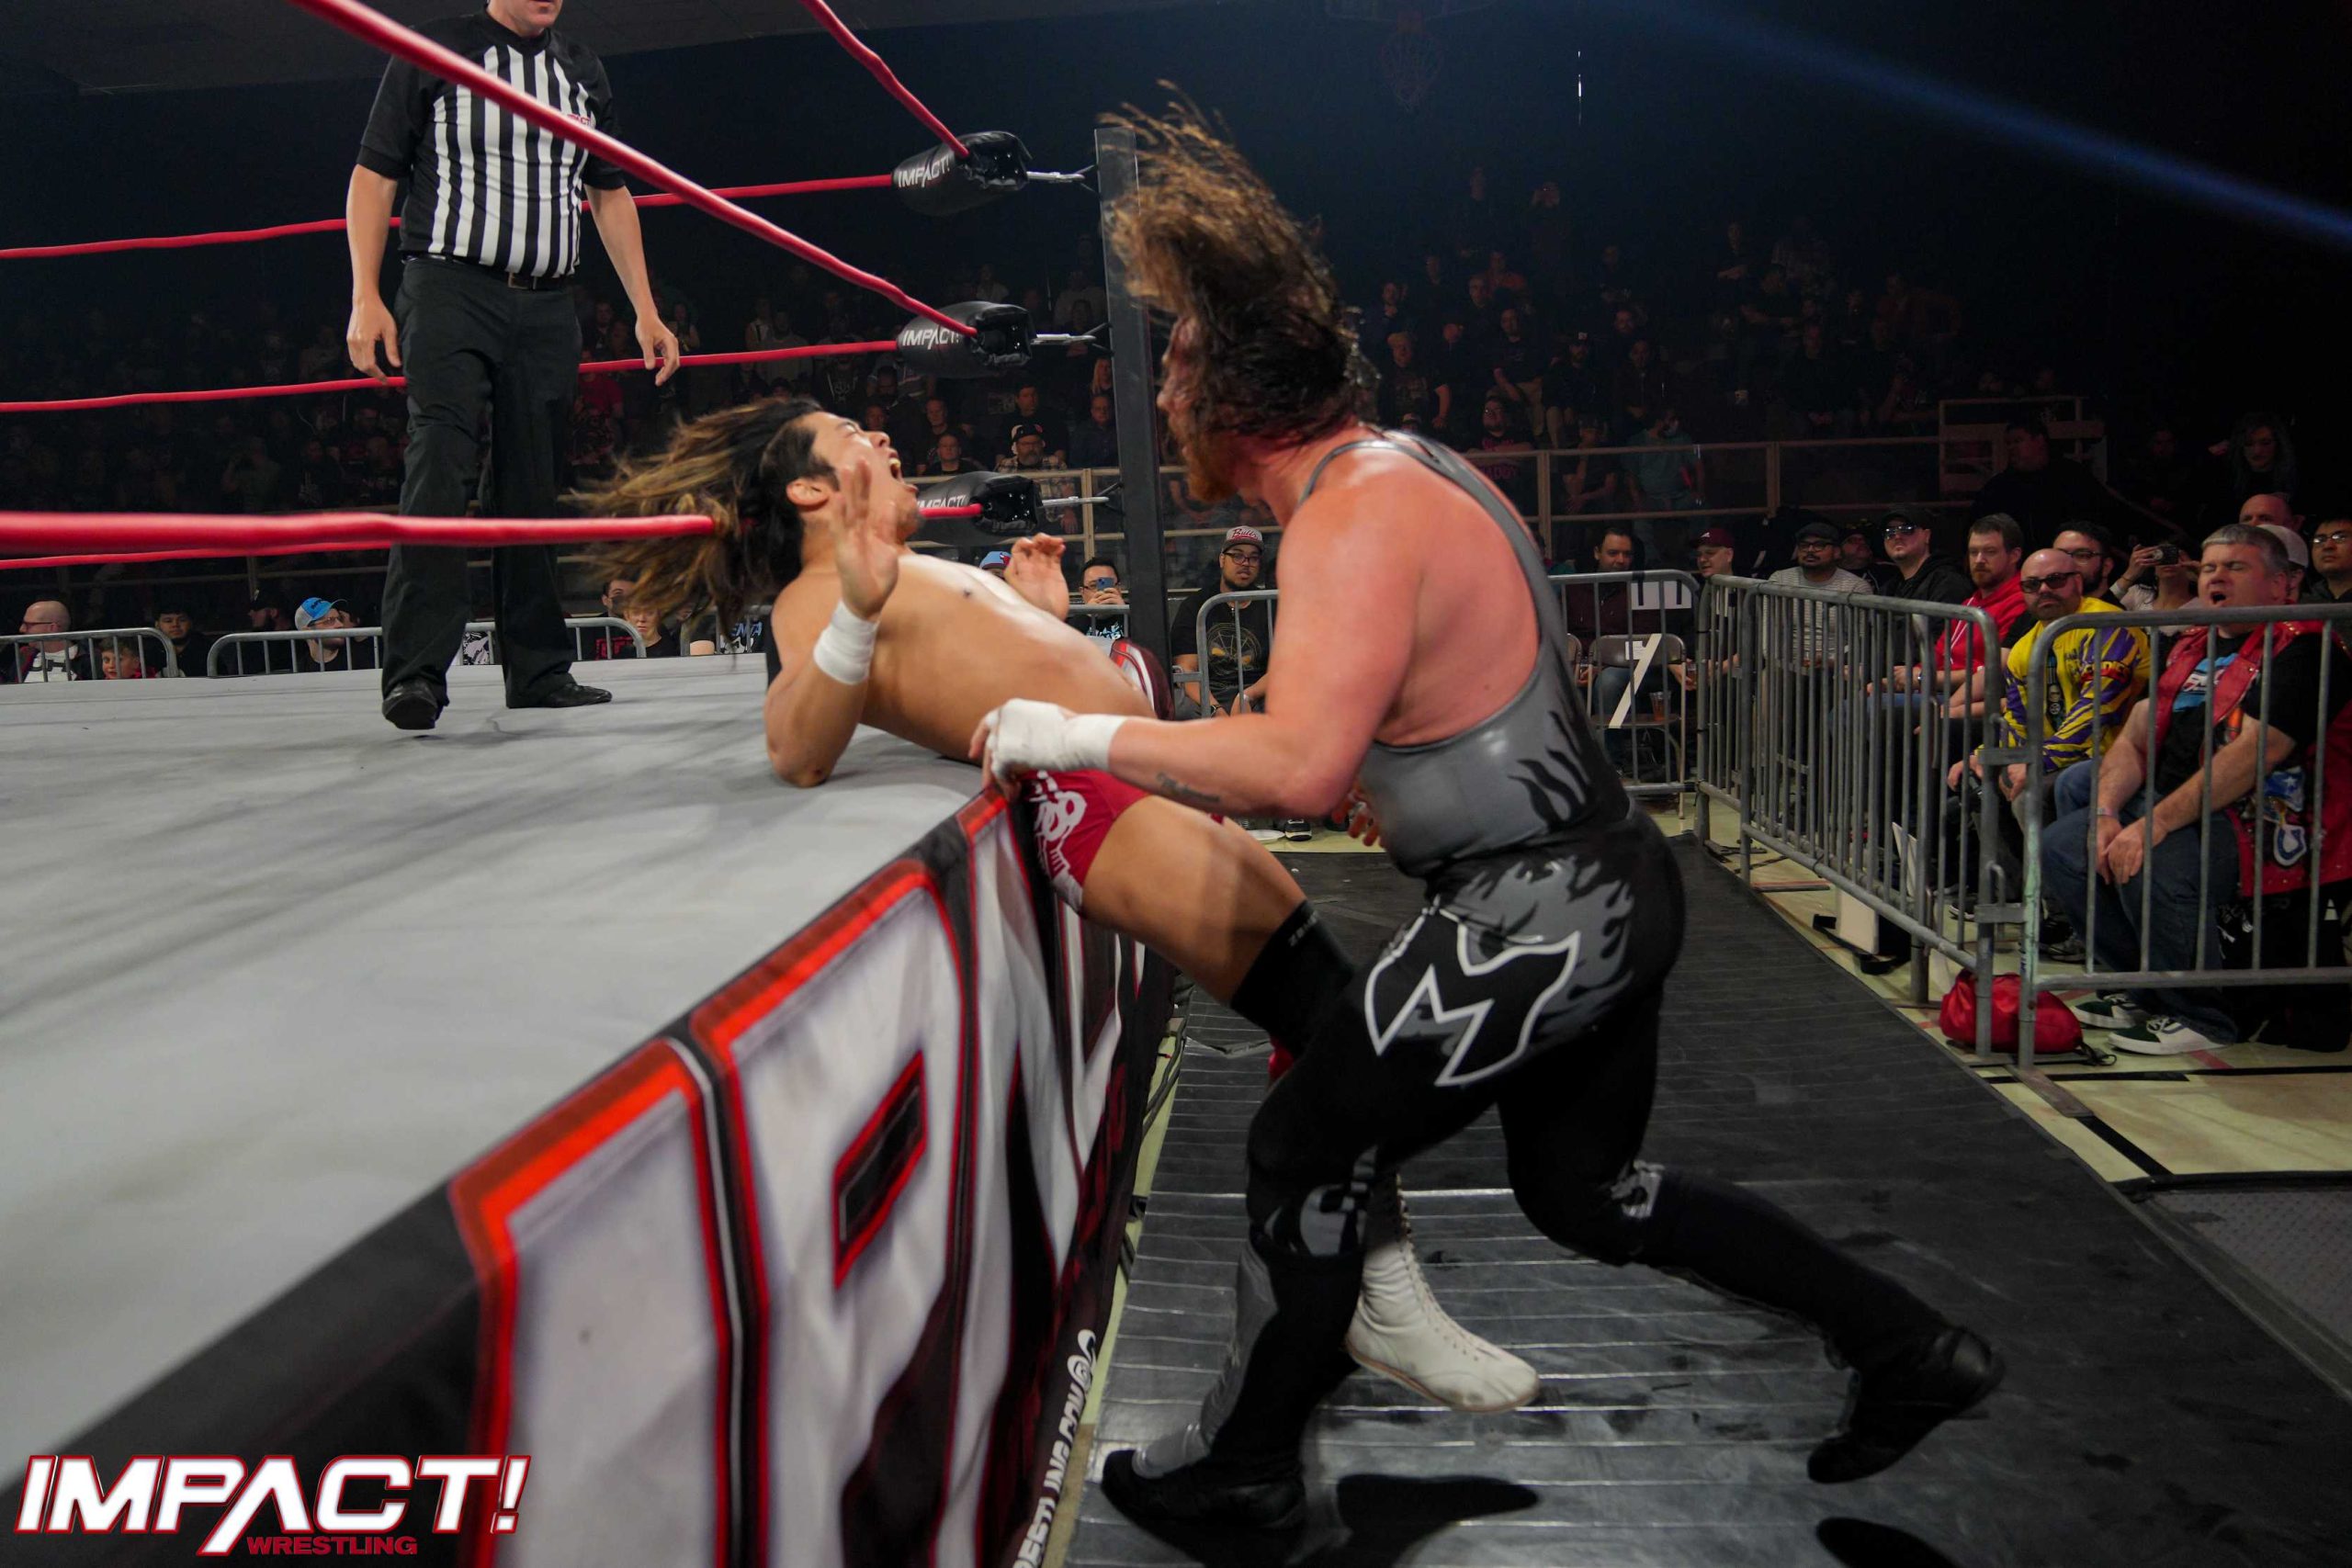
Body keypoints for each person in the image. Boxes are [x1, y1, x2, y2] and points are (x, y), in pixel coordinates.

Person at [972, 106, 1998, 1529]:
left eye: (1176, 374)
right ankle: (1907, 1343)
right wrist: (1394, 776)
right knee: (1587, 1192)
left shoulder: (1349, 513)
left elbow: (1294, 766)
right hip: (1607, 886)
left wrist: (1068, 732)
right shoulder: (1411, 464)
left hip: (1539, 911)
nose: (1159, 403)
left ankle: (1252, 1466)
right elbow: (1441, 703)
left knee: (1300, 1144)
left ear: (1227, 400)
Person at [586, 394, 1536, 1414]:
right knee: (1340, 1021)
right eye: (852, 436)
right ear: (813, 492)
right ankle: (1369, 1295)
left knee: (1327, 1020)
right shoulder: (822, 594)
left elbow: (996, 674)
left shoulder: (908, 570)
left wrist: (1044, 621)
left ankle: (1321, 1323)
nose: (884, 438)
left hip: (1136, 776)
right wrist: (857, 607)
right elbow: (795, 748)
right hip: (1096, 803)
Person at [346, 0, 679, 731]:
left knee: (533, 480)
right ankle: (415, 674)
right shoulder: (435, 51)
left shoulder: (581, 70)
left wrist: (645, 309)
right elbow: (375, 174)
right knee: (439, 460)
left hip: (548, 303)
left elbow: (608, 190)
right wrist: (365, 295)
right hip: (449, 287)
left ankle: (538, 669)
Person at [2050, 525, 2352, 1055]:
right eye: (2209, 567)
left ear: (2279, 584)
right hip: (2184, 801)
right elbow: (2138, 736)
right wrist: (2105, 813)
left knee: (2154, 858)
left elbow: (2254, 755)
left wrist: (2155, 823)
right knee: (2065, 848)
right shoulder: (2193, 642)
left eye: (2236, 567)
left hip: (2269, 819)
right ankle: (2141, 989)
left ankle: (2204, 1014)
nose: (2217, 578)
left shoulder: (2307, 648)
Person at [1170, 524, 1273, 717]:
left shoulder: (1271, 605)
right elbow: (1186, 669)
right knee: (1181, 709)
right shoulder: (1195, 605)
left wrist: (1248, 696)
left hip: (1258, 692)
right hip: (1207, 693)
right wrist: (1214, 709)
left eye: (1253, 558)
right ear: (1222, 559)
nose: (1246, 563)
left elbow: (1284, 667)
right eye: (1237, 555)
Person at [1968, 414, 2109, 545]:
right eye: (2008, 443)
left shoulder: (2073, 476)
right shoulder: (1999, 487)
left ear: (2039, 440)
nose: (2011, 448)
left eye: (2018, 441)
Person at [1880, 505, 1973, 604]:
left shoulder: (1948, 582)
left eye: (1907, 529)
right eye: (1889, 532)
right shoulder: (1890, 588)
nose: (1897, 536)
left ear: (1926, 535)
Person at [10, 600, 90, 682]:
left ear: (52, 628)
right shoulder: (25, 654)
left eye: (28, 625)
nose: (22, 629)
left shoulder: (88, 658)